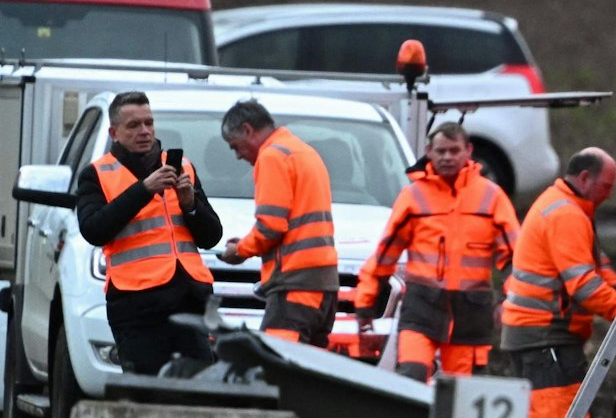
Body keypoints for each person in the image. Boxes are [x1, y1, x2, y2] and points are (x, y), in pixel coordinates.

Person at [498, 148, 616, 418]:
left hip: (536, 337)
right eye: (606, 186)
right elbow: (584, 285)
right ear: (585, 178)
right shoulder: (566, 215)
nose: (609, 195)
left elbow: (597, 265)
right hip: (546, 339)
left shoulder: (567, 207)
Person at [354, 123, 520, 381]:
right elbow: (386, 253)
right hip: (422, 308)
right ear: (429, 152)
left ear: (469, 151)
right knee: (411, 376)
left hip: (470, 314)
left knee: (461, 394)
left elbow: (514, 258)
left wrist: (512, 303)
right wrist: (365, 301)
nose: (447, 157)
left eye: (454, 151)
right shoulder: (414, 196)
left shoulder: (491, 197)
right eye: (441, 151)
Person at [76, 91, 224, 375]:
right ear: (114, 132)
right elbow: (93, 230)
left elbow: (211, 236)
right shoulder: (98, 174)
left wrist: (190, 203)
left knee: (199, 395)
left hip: (189, 298)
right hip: (137, 304)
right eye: (134, 125)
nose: (144, 131)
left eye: (149, 123)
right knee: (145, 395)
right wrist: (144, 190)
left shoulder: (183, 166)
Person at [215, 100, 340, 348]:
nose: (239, 155)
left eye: (235, 147)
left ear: (248, 130)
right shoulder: (302, 152)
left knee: (276, 370)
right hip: (324, 286)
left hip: (295, 285)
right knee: (308, 376)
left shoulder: (272, 156)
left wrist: (239, 250)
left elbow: (270, 226)